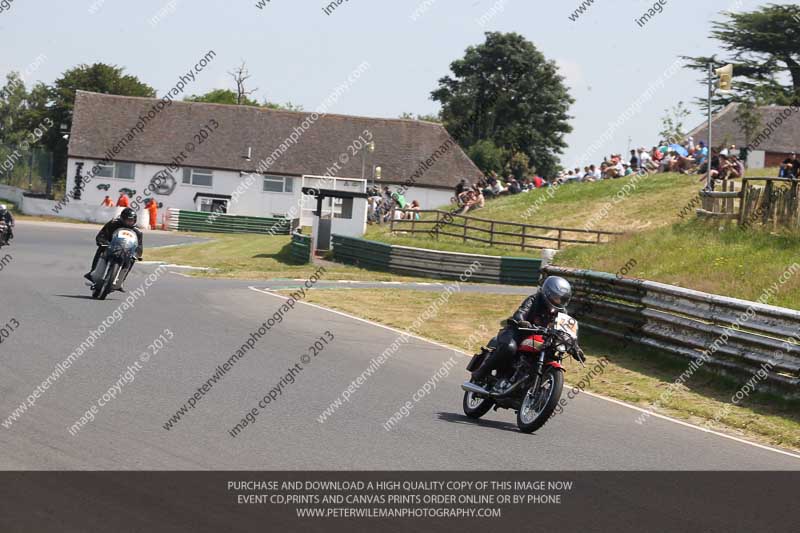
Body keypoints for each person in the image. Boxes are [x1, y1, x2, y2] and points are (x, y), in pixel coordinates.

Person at [471, 276, 580, 385]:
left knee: (550, 353)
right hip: (519, 332)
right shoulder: (534, 300)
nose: (558, 301)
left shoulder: (562, 312)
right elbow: (520, 313)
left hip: (542, 337)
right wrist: (521, 321)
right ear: (548, 293)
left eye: (562, 299)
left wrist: (575, 347)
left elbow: (566, 331)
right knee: (509, 348)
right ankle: (481, 373)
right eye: (556, 297)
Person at [84, 207, 143, 290]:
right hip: (110, 246)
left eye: (132, 220)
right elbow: (102, 234)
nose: (130, 222)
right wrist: (102, 242)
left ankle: (121, 281)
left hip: (125, 251)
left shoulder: (138, 232)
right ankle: (92, 271)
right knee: (101, 249)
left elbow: (139, 246)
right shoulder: (113, 224)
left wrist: (136, 254)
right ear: (122, 218)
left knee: (132, 259)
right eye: (127, 220)